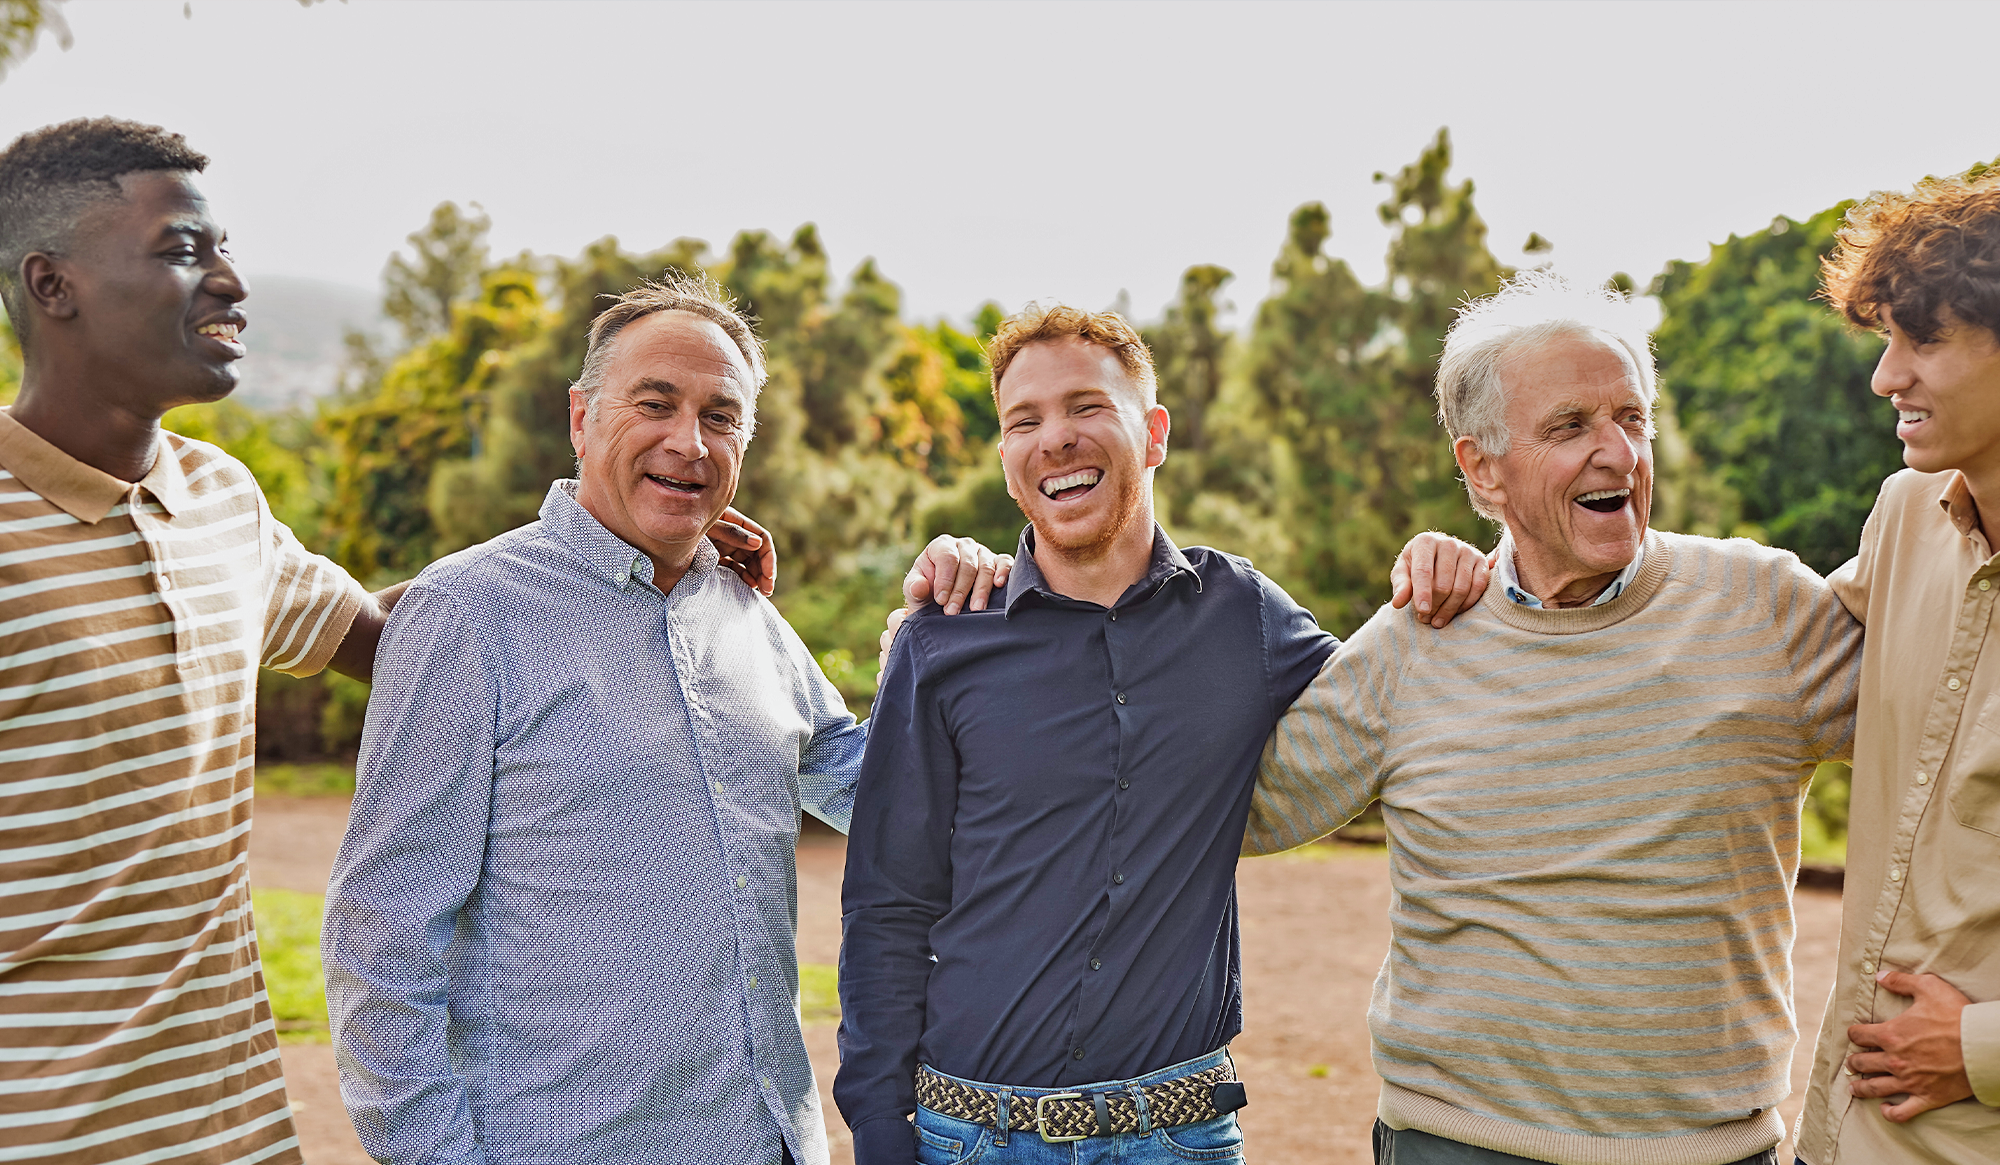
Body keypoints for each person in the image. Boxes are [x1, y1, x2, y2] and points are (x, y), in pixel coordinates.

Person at [319, 273, 1009, 1165]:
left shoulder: (748, 613)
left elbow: (881, 789)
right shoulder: (467, 613)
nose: (689, 441)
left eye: (721, 417)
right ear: (581, 417)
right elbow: (382, 926)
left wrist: (952, 632)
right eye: (655, 402)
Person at [1248, 272, 1861, 1165]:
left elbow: (1948, 729)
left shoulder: (1761, 605)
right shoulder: (1419, 637)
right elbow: (1235, 808)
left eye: (1632, 418)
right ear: (1482, 470)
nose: (1617, 452)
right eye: (1570, 427)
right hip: (1457, 1142)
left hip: (1709, 1150)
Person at [1792, 166, 2000, 1164]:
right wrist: (1508, 569)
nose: (1883, 377)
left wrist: (1979, 1048)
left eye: (1922, 338)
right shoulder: (1902, 516)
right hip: (1848, 1136)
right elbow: (1744, 642)